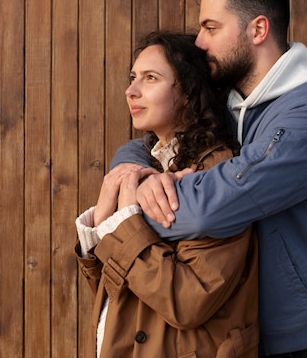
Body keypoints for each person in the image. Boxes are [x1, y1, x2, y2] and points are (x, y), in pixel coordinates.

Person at [110, 0, 307, 357]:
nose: (200, 43)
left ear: (257, 29)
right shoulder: (230, 101)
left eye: (211, 28)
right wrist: (130, 169)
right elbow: (159, 135)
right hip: (244, 337)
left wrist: (122, 210)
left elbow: (214, 207)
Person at [75, 31, 259, 357]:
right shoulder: (150, 163)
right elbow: (117, 291)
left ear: (188, 92)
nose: (131, 91)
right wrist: (103, 220)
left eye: (150, 78)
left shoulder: (215, 174)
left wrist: (119, 224)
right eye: (133, 78)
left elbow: (188, 302)